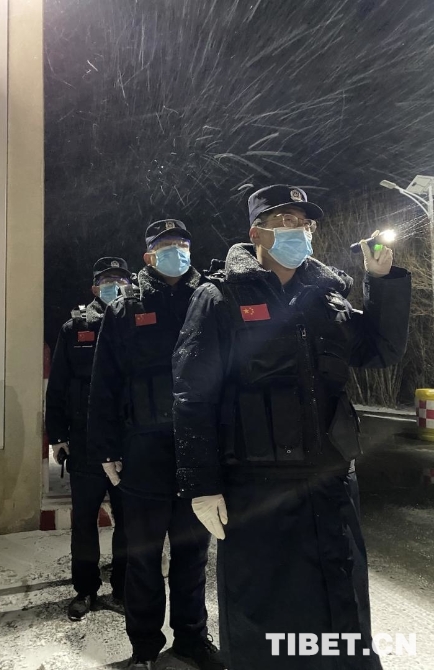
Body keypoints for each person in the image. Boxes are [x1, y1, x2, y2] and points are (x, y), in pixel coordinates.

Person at [172, 185, 411, 670]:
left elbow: (381, 350)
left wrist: (382, 281)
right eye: (284, 221)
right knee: (266, 616)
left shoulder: (327, 297)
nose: (298, 230)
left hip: (330, 482)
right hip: (257, 489)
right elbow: (192, 394)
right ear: (256, 232)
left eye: (304, 223)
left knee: (341, 604)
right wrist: (201, 485)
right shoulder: (219, 297)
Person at [87, 220, 225, 670]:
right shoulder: (125, 309)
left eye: (182, 243)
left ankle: (191, 640)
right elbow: (104, 384)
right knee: (143, 558)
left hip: (197, 448)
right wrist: (106, 448)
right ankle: (144, 648)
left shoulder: (211, 298)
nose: (176, 251)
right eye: (166, 245)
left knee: (192, 555)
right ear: (149, 256)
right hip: (143, 449)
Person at [45, 256, 132, 621]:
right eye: (108, 281)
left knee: (128, 520)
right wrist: (57, 436)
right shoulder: (75, 328)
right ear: (95, 288)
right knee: (84, 521)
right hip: (84, 443)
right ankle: (85, 589)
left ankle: (123, 589)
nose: (115, 286)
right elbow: (58, 386)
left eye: (121, 280)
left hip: (128, 442)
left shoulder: (138, 321)